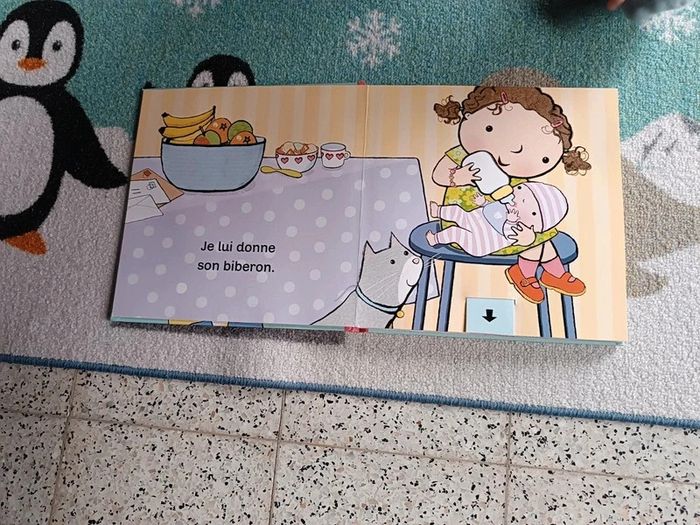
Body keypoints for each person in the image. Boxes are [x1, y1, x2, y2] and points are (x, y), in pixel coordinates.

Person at [432, 87, 588, 304]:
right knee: (537, 243)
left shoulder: (515, 177)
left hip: (503, 227)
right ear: (468, 116)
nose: (511, 152)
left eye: (542, 158)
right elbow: (438, 175)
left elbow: (523, 210)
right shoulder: (463, 155)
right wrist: (458, 177)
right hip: (467, 226)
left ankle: (550, 274)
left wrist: (528, 232)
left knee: (539, 237)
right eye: (489, 128)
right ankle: (527, 273)